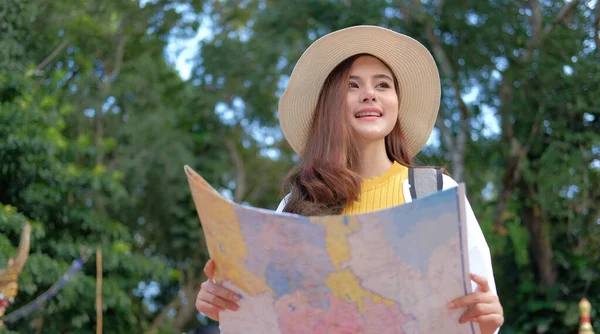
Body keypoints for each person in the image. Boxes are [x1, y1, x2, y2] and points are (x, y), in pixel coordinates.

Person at [195, 25, 504, 333]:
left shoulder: (436, 193)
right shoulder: (297, 203)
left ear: (397, 103)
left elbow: (476, 307)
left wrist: (487, 323)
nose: (369, 94)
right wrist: (228, 305)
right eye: (352, 86)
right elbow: (273, 316)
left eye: (383, 85)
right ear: (331, 105)